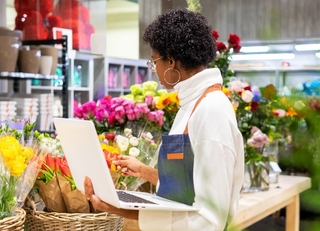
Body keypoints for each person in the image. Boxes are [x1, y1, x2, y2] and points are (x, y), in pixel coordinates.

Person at [84, 8, 244, 231]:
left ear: (170, 61)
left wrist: (121, 210)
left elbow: (209, 221)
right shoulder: (192, 103)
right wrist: (142, 173)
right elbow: (186, 191)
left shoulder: (211, 110)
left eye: (154, 61)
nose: (154, 70)